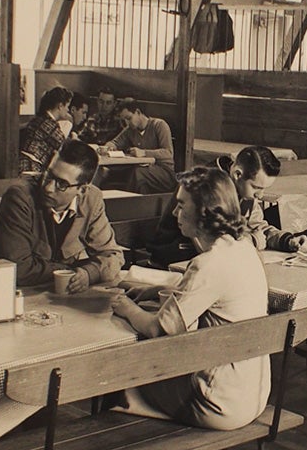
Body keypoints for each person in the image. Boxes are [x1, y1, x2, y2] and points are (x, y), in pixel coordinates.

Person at [110, 166, 270, 431]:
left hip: (216, 404)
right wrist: (158, 292)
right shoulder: (244, 248)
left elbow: (158, 329)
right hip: (251, 394)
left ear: (205, 211)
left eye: (182, 205)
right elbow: (215, 294)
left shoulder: (208, 263)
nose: (175, 212)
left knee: (118, 376)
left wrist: (125, 307)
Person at [0, 139, 123, 289]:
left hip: (52, 294)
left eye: (61, 184)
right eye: (48, 175)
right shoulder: (20, 197)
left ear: (82, 190)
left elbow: (112, 255)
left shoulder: (91, 199)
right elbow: (19, 269)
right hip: (4, 290)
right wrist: (71, 272)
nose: (48, 188)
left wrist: (89, 274)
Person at [147, 146, 307, 267]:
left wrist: (285, 240)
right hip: (176, 259)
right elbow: (207, 243)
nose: (260, 195)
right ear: (237, 174)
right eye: (257, 188)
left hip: (209, 262)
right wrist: (251, 241)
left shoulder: (244, 188)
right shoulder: (208, 183)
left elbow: (257, 226)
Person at [102, 99, 175, 194]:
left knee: (138, 174)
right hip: (145, 170)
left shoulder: (159, 125)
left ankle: (128, 203)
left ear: (138, 112)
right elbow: (115, 142)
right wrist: (107, 147)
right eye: (124, 120)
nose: (126, 123)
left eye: (128, 118)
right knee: (116, 174)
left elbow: (168, 153)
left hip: (164, 172)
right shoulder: (130, 130)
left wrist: (144, 153)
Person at [20, 86, 73, 176]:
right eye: (67, 106)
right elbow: (66, 147)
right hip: (30, 168)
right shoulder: (48, 124)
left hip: (24, 165)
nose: (68, 110)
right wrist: (74, 136)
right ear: (60, 106)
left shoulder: (41, 119)